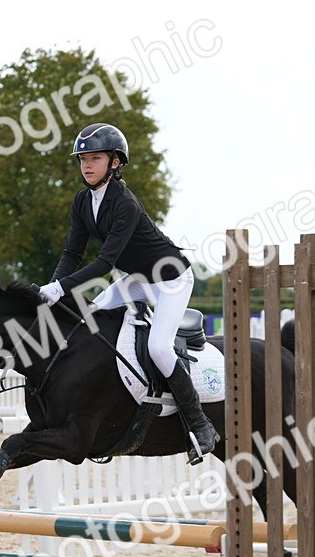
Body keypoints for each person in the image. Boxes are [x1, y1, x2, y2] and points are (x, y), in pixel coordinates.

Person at [38, 122, 217, 464]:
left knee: (160, 348)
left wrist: (61, 287)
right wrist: (52, 290)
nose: (86, 165)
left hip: (171, 279)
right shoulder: (82, 202)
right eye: (82, 159)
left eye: (95, 158)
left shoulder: (125, 204)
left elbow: (105, 262)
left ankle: (200, 425)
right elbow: (71, 254)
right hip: (136, 278)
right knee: (85, 320)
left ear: (115, 162)